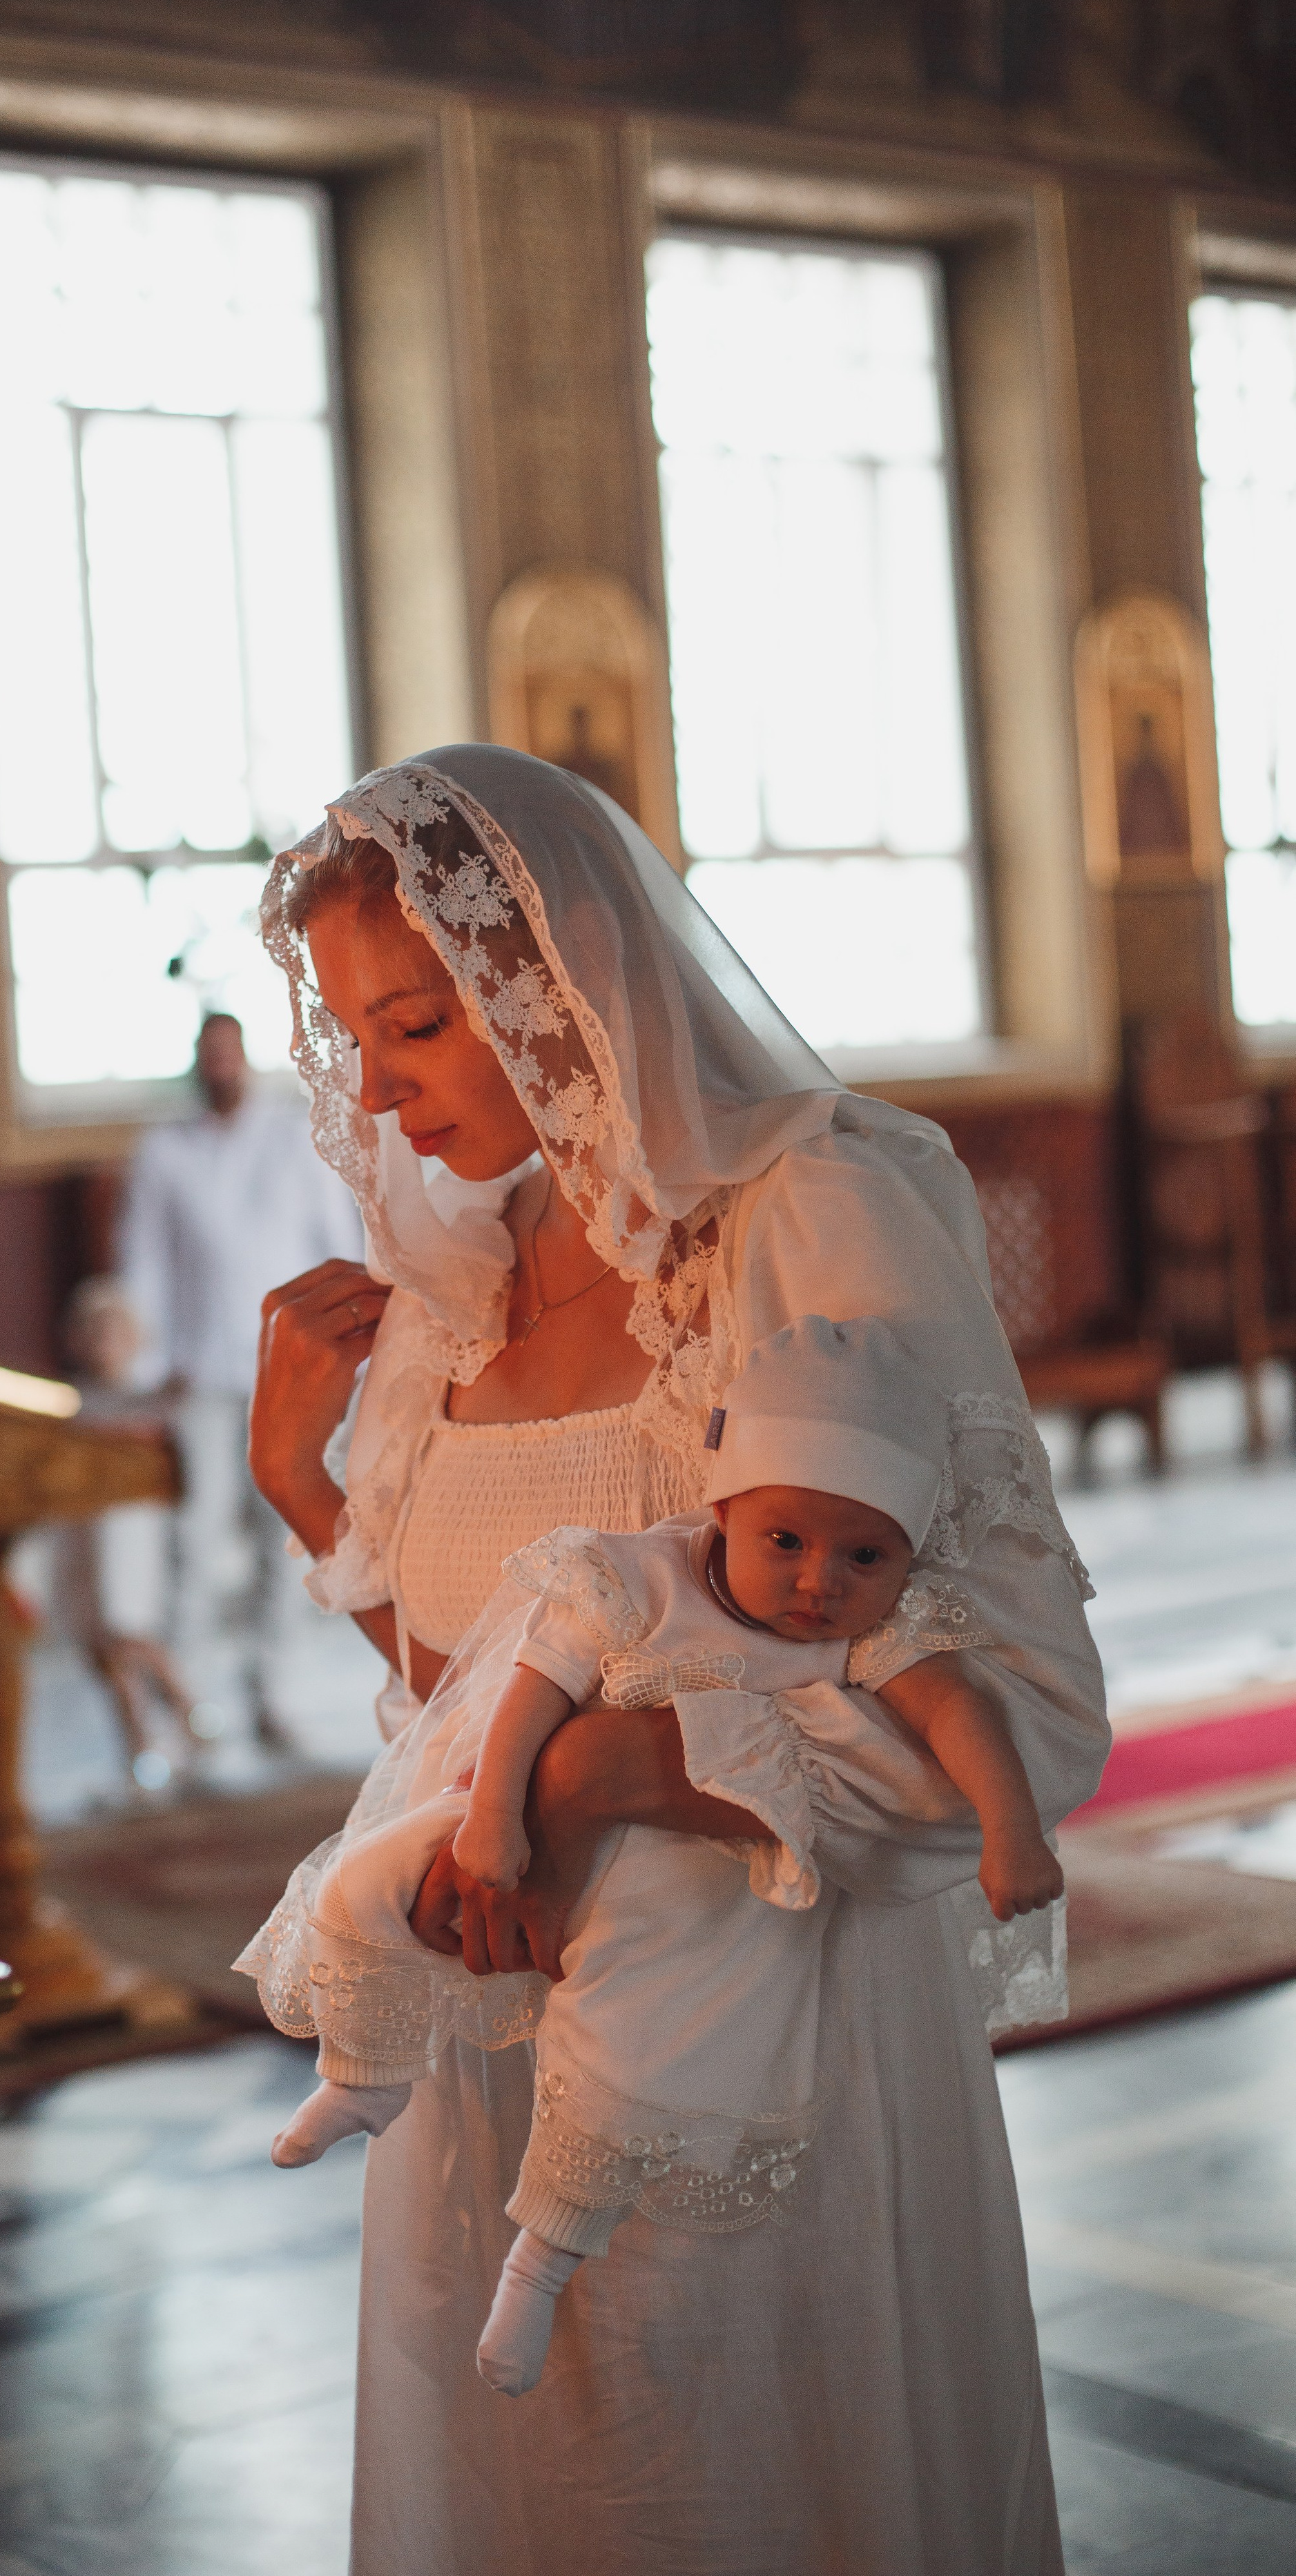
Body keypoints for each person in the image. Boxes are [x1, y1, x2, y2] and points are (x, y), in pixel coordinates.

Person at [246, 743, 1108, 2573]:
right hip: (489, 2053)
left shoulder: (821, 1210)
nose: (381, 1094)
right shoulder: (462, 1278)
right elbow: (447, 1696)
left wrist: (634, 1769)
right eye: (354, 1036)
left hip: (766, 2044)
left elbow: (1021, 1706)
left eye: (417, 1027)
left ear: (552, 979)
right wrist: (304, 1494)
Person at [246, 1315, 1066, 2399]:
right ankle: (363, 2074)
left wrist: (1011, 1834)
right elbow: (528, 1687)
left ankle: (536, 2275)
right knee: (368, 1883)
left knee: (623, 2072)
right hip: (516, 1816)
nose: (819, 1581)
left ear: (904, 1555)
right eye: (787, 1542)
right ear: (724, 1507)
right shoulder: (641, 1573)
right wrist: (494, 1818)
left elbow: (957, 1713)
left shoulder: (875, 1628)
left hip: (686, 1891)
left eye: (864, 1555)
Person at [119, 1011, 360, 1747]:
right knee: (194, 1538)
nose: (220, 1065)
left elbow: (335, 1245)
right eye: (208, 1054)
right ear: (197, 1062)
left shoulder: (294, 1139)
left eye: (230, 1052)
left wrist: (352, 1348)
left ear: (246, 1058)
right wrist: (148, 1363)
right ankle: (188, 1703)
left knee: (281, 1536)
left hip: (287, 1369)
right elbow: (145, 1261)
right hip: (200, 1372)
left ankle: (272, 1695)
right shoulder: (165, 1150)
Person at [51, 1275, 213, 1787]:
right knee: (102, 1647)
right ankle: (144, 1738)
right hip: (83, 1538)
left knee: (128, 1635)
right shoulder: (69, 1401)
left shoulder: (148, 1403)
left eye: (113, 1333)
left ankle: (183, 1716)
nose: (103, 1345)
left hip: (126, 1539)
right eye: (93, 1333)